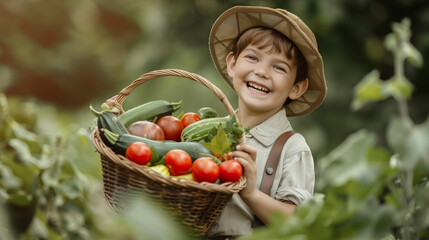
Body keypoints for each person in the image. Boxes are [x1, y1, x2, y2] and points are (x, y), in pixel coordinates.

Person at [206, 6, 327, 239]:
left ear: (296, 88)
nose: (261, 72)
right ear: (232, 64)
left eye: (279, 67)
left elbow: (298, 222)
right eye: (252, 57)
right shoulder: (211, 130)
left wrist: (251, 193)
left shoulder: (292, 148)